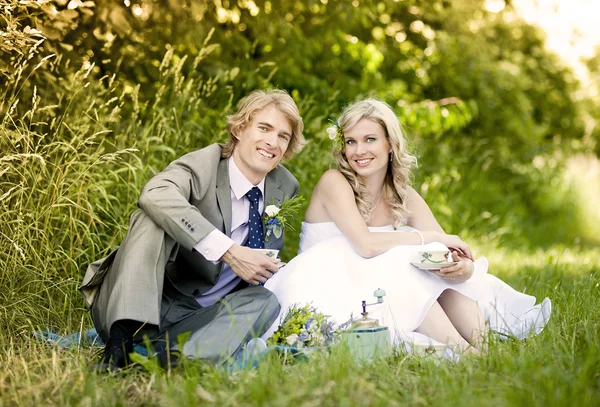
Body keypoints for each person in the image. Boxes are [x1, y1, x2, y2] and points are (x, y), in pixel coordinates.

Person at [262, 98, 551, 354]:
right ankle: (465, 352)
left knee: (435, 267)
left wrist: (462, 267)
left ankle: (486, 349)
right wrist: (432, 237)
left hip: (378, 285)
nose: (359, 150)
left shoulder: (404, 195)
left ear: (390, 144)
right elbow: (366, 245)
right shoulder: (334, 182)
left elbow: (444, 249)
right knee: (400, 262)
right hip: (324, 285)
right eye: (350, 141)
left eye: (370, 139)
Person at [79, 89, 306, 371]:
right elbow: (155, 193)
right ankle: (119, 348)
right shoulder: (206, 164)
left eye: (283, 136)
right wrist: (229, 251)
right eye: (264, 128)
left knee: (265, 300)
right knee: (151, 218)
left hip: (200, 319)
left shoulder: (284, 185)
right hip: (144, 304)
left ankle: (177, 361)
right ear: (239, 129)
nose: (273, 142)